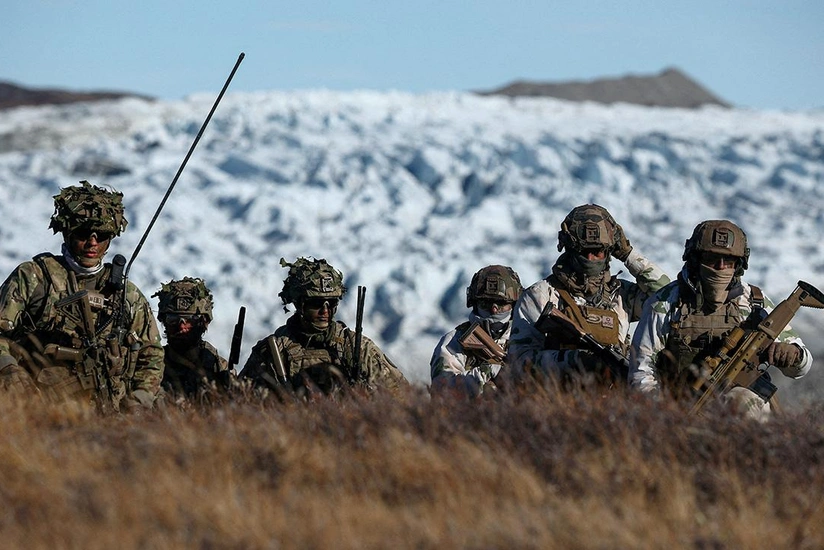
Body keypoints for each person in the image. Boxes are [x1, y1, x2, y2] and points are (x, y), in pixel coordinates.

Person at [0, 180, 164, 412]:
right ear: (67, 232)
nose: (92, 243)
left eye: (103, 235)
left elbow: (151, 354)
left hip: (111, 415)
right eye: (83, 233)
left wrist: (140, 397)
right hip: (38, 410)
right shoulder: (34, 277)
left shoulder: (127, 294)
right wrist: (9, 370)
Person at [629, 220, 812, 419]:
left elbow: (801, 367)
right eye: (711, 259)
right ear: (695, 259)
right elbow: (641, 372)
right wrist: (664, 415)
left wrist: (794, 355)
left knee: (744, 401)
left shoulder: (754, 303)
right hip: (681, 409)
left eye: (729, 261)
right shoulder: (665, 303)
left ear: (739, 265)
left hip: (743, 410)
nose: (720, 267)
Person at [507, 204, 670, 385]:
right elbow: (519, 362)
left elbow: (665, 295)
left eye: (598, 251)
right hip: (557, 402)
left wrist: (627, 254)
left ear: (609, 252)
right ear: (569, 249)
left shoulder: (622, 295)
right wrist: (572, 360)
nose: (591, 259)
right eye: (584, 252)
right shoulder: (541, 295)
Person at [240, 257, 408, 395]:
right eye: (316, 303)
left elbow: (402, 395)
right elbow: (242, 403)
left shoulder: (356, 347)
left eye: (332, 303)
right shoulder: (273, 351)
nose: (325, 310)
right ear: (300, 304)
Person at [430, 265, 522, 398]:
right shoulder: (453, 342)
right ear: (474, 302)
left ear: (514, 304)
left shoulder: (526, 336)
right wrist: (487, 371)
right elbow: (442, 393)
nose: (494, 310)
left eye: (501, 303)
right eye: (486, 303)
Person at [153, 277, 231, 399]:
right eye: (173, 320)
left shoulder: (217, 367)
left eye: (190, 321)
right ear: (164, 322)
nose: (182, 327)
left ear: (204, 322)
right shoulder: (151, 366)